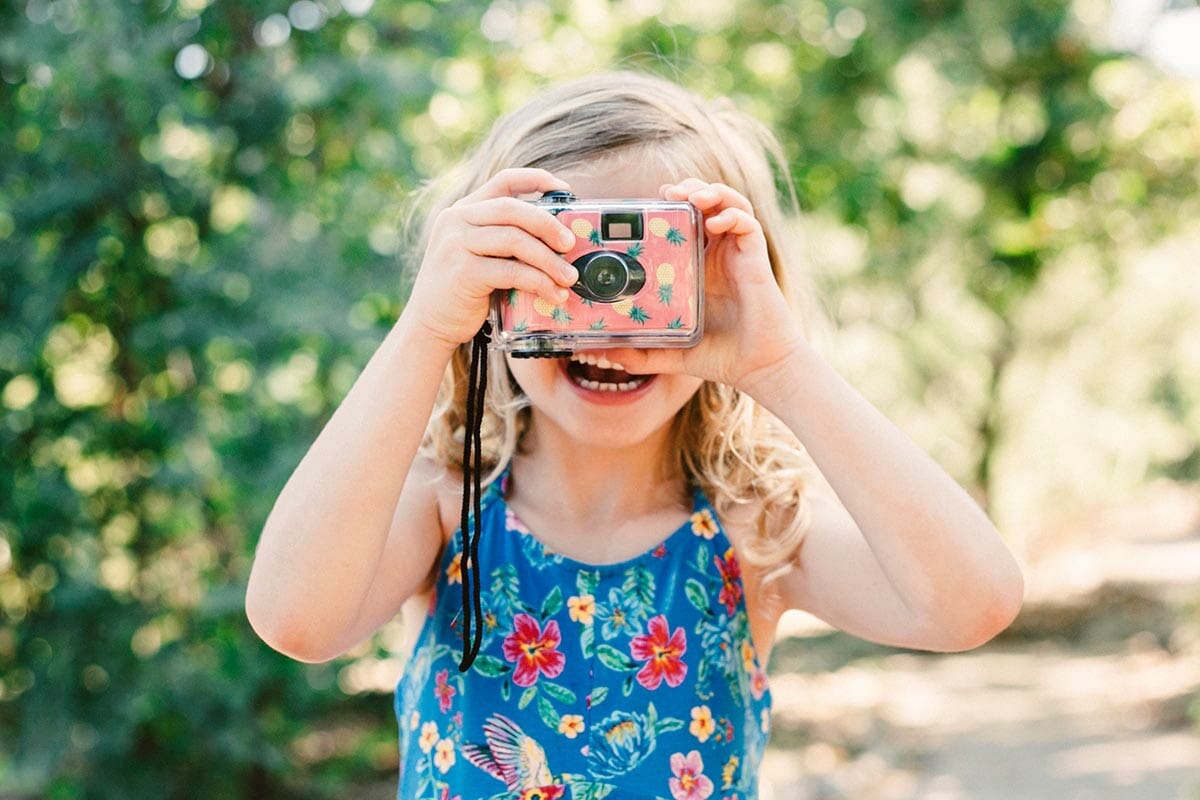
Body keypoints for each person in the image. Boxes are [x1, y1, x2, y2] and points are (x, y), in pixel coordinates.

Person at [245, 71, 1025, 800]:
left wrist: (782, 364)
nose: (610, 322)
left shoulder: (754, 536)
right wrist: (424, 330)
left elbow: (974, 605)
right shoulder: (447, 512)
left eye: (648, 267)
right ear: (490, 287)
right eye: (567, 264)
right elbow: (295, 621)